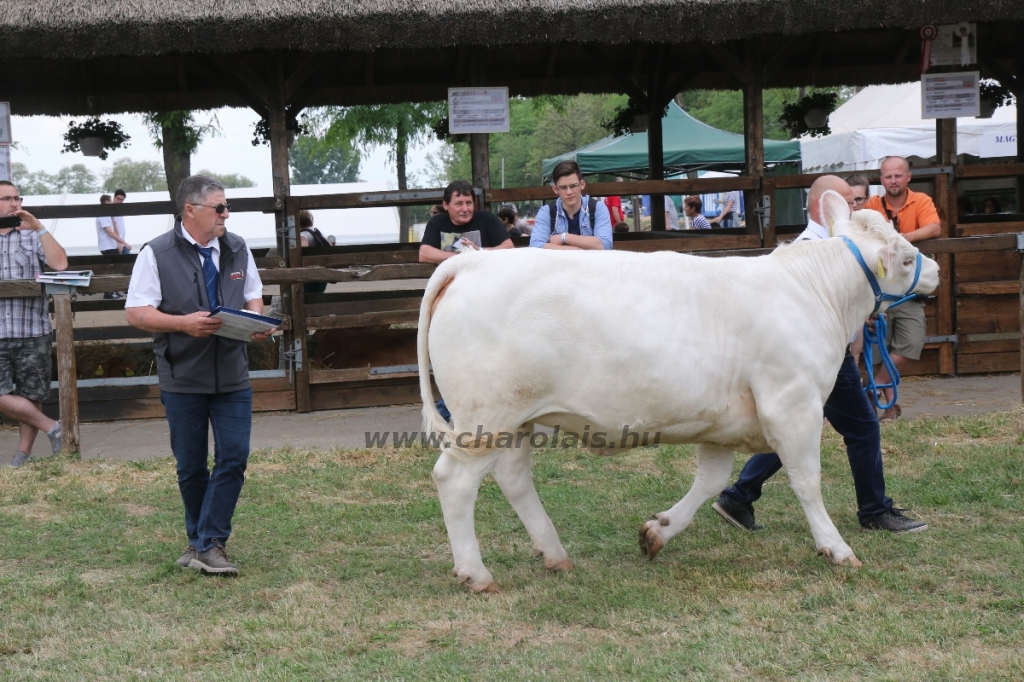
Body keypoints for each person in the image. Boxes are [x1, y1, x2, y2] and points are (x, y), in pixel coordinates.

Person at [712, 175, 928, 535]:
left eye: (857, 201)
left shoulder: (827, 244)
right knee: (862, 428)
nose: (856, 208)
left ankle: (739, 495)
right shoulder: (815, 247)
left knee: (795, 427)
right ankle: (875, 510)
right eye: (849, 202)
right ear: (823, 206)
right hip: (817, 354)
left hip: (817, 353)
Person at [125, 175, 274, 575]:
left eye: (227, 207)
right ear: (190, 210)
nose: (227, 214)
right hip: (182, 375)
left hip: (233, 373)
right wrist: (182, 324)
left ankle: (209, 544)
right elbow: (137, 312)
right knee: (190, 465)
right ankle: (199, 542)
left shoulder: (238, 247)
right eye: (219, 207)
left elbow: (252, 295)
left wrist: (256, 320)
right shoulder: (155, 253)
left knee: (234, 457)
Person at [864, 156, 941, 421]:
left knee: (910, 343)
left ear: (908, 177)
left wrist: (904, 239)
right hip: (880, 288)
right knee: (878, 347)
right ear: (881, 179)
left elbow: (934, 227)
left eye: (898, 176)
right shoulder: (873, 204)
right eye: (888, 177)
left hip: (909, 289)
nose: (893, 181)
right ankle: (890, 407)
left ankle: (869, 392)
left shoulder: (921, 201)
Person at [0, 181, 67, 467]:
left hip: (31, 329)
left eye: (17, 197)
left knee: (31, 394)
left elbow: (60, 265)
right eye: (6, 198)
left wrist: (39, 227)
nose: (14, 203)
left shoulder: (32, 236)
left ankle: (23, 455)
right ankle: (54, 427)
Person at [419, 181, 513, 264]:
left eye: (469, 203)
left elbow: (509, 247)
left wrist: (478, 251)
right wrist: (463, 257)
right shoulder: (437, 222)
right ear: (445, 205)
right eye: (459, 204)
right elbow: (424, 254)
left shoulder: (487, 219)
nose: (465, 209)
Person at [530, 160, 613, 250]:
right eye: (563, 187)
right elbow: (535, 245)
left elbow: (605, 245)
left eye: (573, 186)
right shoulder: (546, 211)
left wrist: (564, 237)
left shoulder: (598, 208)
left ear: (582, 185)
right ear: (555, 189)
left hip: (591, 264)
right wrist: (575, 251)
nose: (569, 192)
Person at [298, 210, 330, 295]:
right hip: (322, 273)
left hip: (310, 274)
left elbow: (303, 250)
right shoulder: (320, 234)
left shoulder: (303, 235)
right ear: (311, 219)